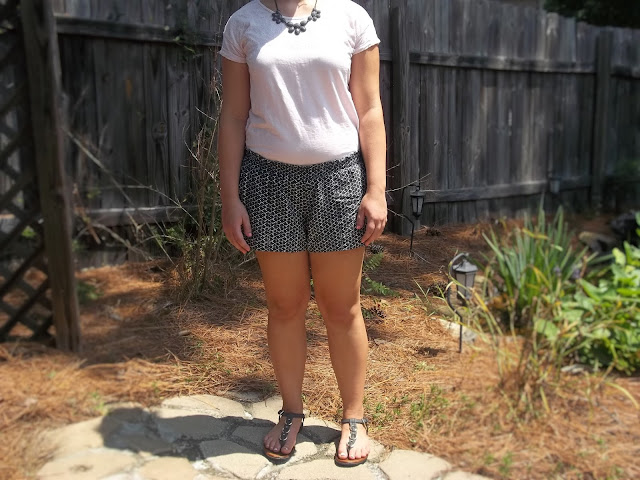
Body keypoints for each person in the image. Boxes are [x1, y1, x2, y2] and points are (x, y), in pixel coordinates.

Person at [218, 0, 387, 467]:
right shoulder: (243, 24)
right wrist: (229, 198)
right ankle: (291, 411)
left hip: (338, 181)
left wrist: (376, 188)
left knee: (341, 306)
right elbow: (233, 116)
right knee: (284, 304)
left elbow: (369, 108)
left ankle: (353, 416)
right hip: (267, 183)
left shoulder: (350, 17)